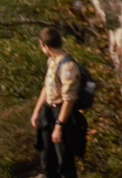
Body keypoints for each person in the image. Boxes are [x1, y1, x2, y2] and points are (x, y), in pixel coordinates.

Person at [31, 26, 82, 178]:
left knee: (64, 163)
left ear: (45, 46)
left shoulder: (68, 67)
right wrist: (36, 111)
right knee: (48, 160)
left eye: (41, 45)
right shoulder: (51, 61)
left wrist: (59, 126)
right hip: (47, 111)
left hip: (62, 114)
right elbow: (47, 87)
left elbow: (69, 100)